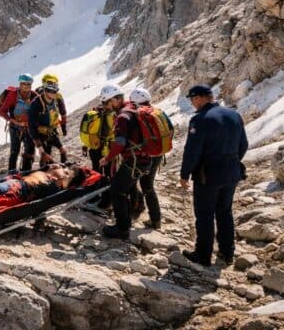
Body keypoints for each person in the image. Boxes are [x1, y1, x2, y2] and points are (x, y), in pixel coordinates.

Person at [180, 84, 248, 266]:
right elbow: (243, 145)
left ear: (201, 97)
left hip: (208, 175)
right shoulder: (234, 115)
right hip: (232, 172)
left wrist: (185, 173)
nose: (193, 103)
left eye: (193, 99)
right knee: (225, 212)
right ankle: (227, 252)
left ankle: (203, 255)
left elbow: (192, 151)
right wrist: (231, 161)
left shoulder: (200, 120)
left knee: (205, 215)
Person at [99, 88, 160, 239]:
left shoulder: (123, 116)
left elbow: (120, 143)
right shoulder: (135, 109)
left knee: (117, 191)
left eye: (107, 102)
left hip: (134, 161)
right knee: (124, 189)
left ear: (115, 99)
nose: (107, 106)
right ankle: (127, 221)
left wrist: (107, 158)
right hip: (145, 159)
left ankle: (122, 229)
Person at [127, 87, 173, 230]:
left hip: (143, 156)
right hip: (158, 154)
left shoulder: (138, 115)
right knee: (148, 186)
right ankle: (155, 219)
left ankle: (134, 211)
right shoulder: (159, 112)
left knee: (132, 182)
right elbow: (171, 130)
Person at [23, 75, 68, 169]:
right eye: (51, 91)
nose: (54, 93)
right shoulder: (36, 104)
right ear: (45, 91)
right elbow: (31, 127)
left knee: (63, 150)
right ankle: (44, 174)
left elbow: (63, 112)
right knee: (45, 156)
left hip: (52, 131)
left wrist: (63, 127)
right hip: (40, 134)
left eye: (55, 91)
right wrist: (39, 147)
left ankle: (65, 170)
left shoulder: (56, 99)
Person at [0, 74, 38, 172]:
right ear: (20, 84)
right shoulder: (13, 95)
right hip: (15, 126)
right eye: (24, 83)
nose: (27, 86)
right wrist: (14, 121)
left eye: (29, 84)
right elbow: (3, 111)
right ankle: (11, 172)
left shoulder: (34, 96)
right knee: (15, 150)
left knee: (30, 150)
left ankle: (26, 171)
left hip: (28, 127)